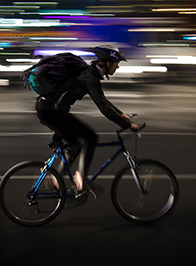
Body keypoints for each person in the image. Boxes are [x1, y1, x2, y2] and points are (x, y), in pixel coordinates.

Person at [36, 45, 139, 194]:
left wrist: (121, 114)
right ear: (108, 63)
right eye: (117, 64)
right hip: (52, 112)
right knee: (90, 138)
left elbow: (103, 101)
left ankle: (57, 179)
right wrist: (127, 124)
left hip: (51, 110)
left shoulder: (89, 74)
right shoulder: (90, 77)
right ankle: (79, 179)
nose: (117, 68)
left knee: (75, 144)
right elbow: (103, 107)